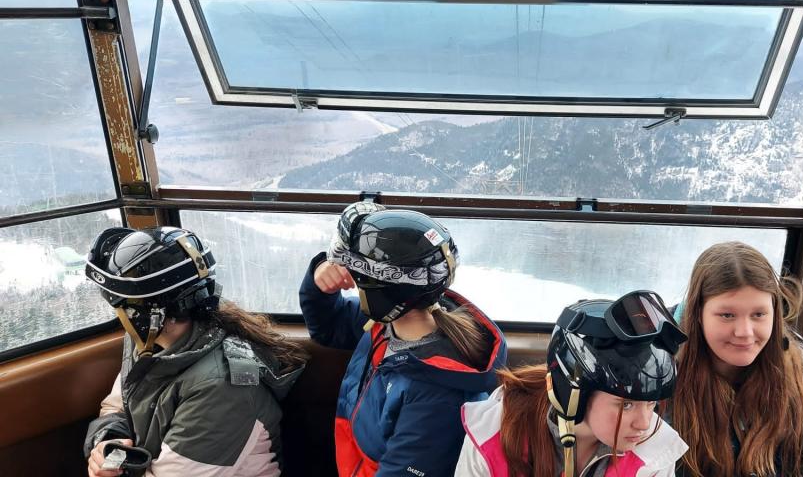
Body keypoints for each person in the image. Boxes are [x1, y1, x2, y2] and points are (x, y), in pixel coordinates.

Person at [300, 202, 507, 476]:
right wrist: (319, 279)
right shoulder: (386, 324)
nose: (350, 278)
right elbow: (328, 326)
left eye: (358, 277)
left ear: (381, 293)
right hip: (352, 459)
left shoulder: (436, 399)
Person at [82, 226, 306, 477]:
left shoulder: (224, 389)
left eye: (121, 309)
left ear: (150, 315)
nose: (120, 318)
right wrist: (109, 440)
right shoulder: (148, 344)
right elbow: (119, 404)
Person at [456, 291, 689, 477]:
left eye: (651, 404)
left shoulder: (655, 453)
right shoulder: (496, 433)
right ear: (574, 394)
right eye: (626, 405)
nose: (644, 424)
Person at [670, 241, 803, 477]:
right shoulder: (660, 369)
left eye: (759, 314)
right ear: (697, 313)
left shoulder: (802, 369)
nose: (744, 331)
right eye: (727, 315)